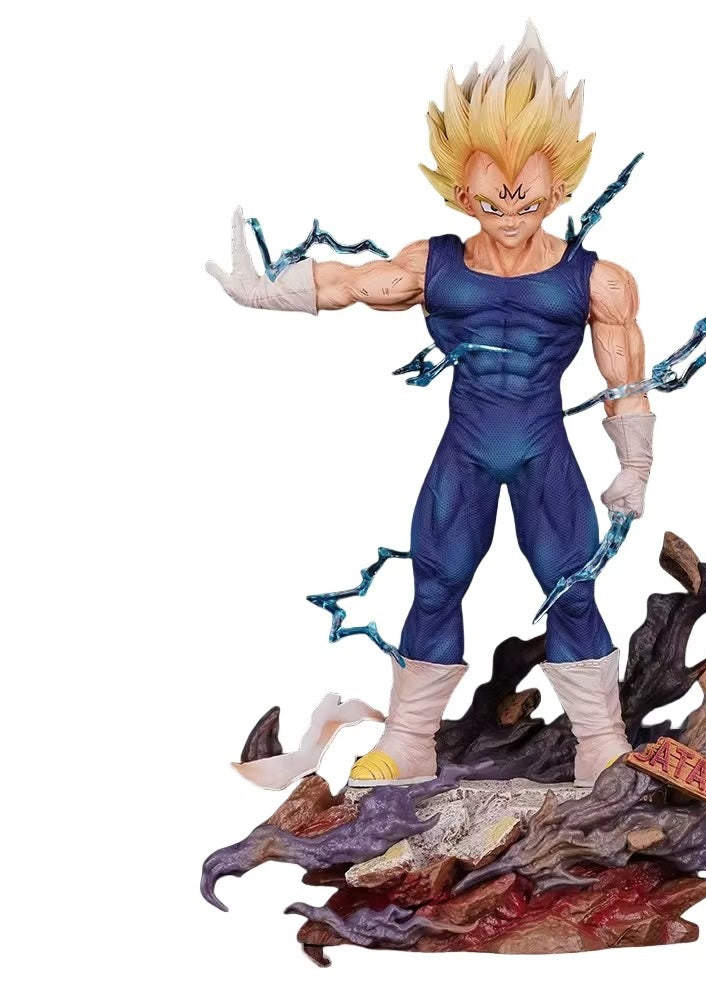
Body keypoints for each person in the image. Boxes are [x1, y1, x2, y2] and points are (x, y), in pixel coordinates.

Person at [207, 26, 655, 787]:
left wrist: (636, 465)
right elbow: (354, 283)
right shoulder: (434, 265)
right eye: (492, 194)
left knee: (573, 587)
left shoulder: (598, 280)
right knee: (437, 583)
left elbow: (625, 377)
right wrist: (268, 291)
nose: (509, 208)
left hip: (545, 452)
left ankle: (600, 742)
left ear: (560, 189)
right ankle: (410, 742)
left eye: (526, 194)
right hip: (467, 450)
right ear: (460, 191)